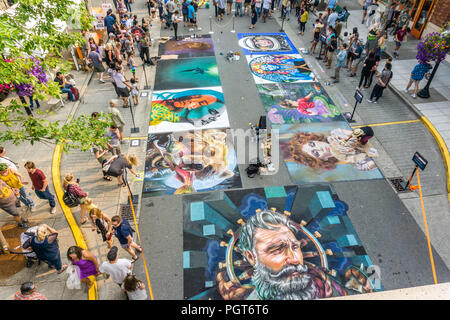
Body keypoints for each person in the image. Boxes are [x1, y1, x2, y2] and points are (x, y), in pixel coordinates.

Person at [215, 209, 373, 300]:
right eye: (277, 250)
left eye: (295, 246)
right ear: (251, 257)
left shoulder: (320, 282)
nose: (294, 258)